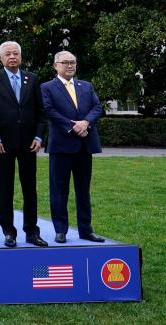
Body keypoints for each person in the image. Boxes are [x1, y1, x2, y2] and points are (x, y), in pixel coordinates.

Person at [0, 41, 48, 248]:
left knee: (30, 189)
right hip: (4, 144)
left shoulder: (32, 78)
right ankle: (9, 232)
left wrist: (39, 137)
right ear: (1, 58)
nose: (12, 57)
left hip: (29, 143)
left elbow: (40, 113)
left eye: (15, 54)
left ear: (20, 56)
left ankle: (31, 231)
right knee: (5, 189)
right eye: (8, 54)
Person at [41, 50, 105, 244]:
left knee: (83, 191)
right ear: (55, 66)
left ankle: (86, 230)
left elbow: (97, 107)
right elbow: (49, 110)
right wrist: (72, 127)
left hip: (85, 145)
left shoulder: (86, 86)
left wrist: (85, 123)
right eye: (65, 62)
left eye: (73, 62)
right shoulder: (47, 87)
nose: (69, 65)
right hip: (61, 146)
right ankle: (61, 230)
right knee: (59, 190)